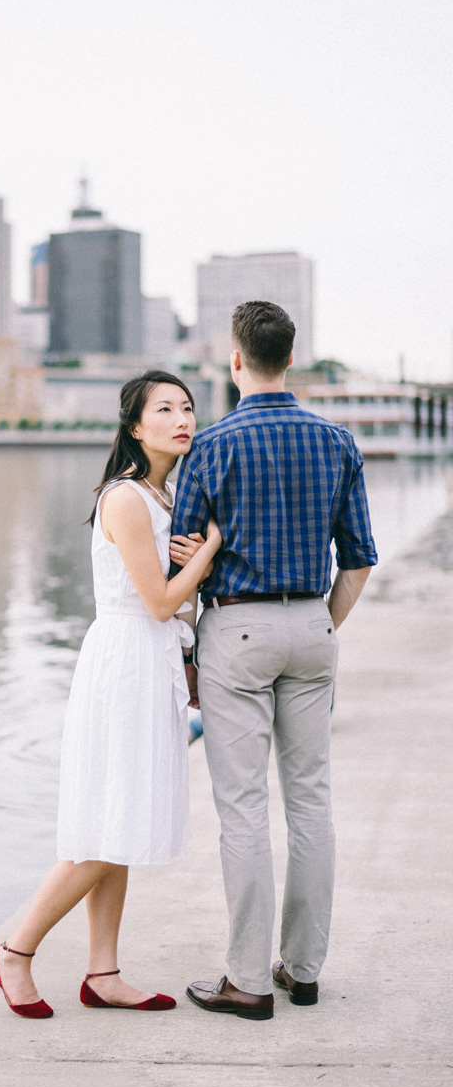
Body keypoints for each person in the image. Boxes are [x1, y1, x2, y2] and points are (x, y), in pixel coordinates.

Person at [0, 371, 221, 1019]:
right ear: (134, 425)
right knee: (105, 830)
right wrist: (211, 552)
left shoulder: (163, 496)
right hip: (125, 666)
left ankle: (103, 973)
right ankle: (15, 951)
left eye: (187, 407)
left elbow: (178, 609)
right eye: (165, 408)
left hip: (153, 664)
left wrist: (193, 558)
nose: (182, 418)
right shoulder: (125, 499)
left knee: (119, 821)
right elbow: (157, 602)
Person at [171, 300, 378, 1021]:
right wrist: (321, 623)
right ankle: (305, 969)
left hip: (238, 631)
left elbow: (185, 563)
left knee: (244, 811)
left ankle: (248, 980)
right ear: (291, 357)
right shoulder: (338, 441)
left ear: (236, 360)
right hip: (313, 625)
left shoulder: (211, 447)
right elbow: (358, 561)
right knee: (312, 802)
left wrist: (193, 647)